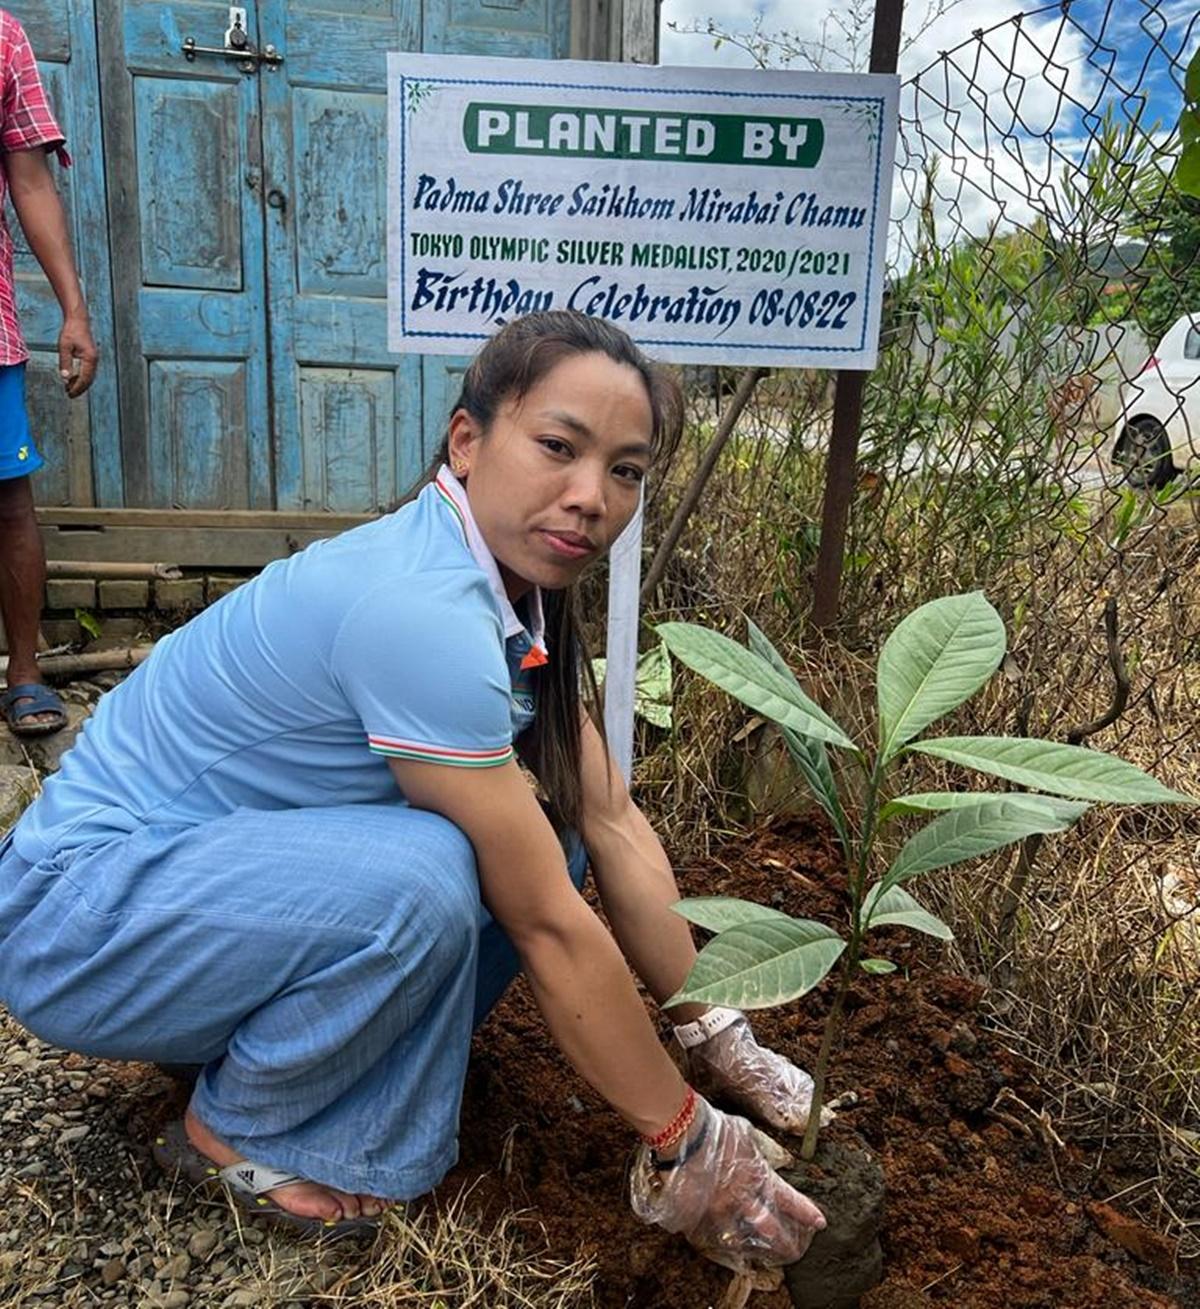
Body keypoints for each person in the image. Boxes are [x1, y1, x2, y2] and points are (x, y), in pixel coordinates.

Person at [0, 312, 824, 1270]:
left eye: (627, 469)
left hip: (184, 895)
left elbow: (610, 819)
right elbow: (552, 926)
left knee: (542, 837)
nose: (592, 495)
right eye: (559, 446)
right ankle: (236, 1128)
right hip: (77, 918)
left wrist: (716, 1027)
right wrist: (687, 1138)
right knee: (442, 870)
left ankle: (275, 1051)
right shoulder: (419, 609)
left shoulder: (508, 589)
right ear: (467, 441)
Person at [0, 9, 99, 737]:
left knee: (7, 501)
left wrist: (74, 310)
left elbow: (29, 182)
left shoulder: (3, 38)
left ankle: (24, 672)